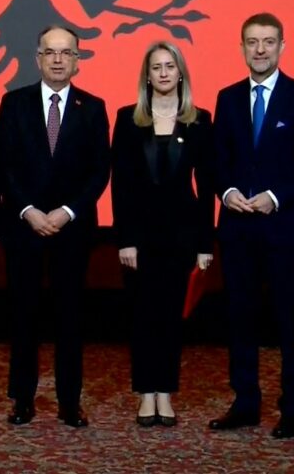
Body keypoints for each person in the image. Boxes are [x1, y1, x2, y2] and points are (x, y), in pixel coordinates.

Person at [208, 13, 294, 439]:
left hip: (285, 227)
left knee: (292, 320)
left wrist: (276, 196)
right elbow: (217, 160)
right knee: (240, 318)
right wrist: (226, 192)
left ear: (282, 46)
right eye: (252, 42)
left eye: (268, 42)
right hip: (237, 228)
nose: (260, 50)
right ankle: (245, 403)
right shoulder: (227, 98)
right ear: (241, 48)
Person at [0, 25, 110, 428]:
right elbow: (3, 164)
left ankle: (69, 401)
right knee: (23, 315)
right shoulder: (14, 103)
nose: (58, 60)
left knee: (70, 317)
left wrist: (68, 211)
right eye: (51, 52)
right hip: (24, 226)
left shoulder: (92, 107)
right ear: (38, 58)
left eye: (66, 53)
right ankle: (22, 399)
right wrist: (28, 210)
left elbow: (100, 171)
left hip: (72, 230)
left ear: (77, 60)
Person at [111, 41, 214, 428]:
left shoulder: (199, 120)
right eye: (157, 67)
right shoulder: (128, 119)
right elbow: (120, 185)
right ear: (148, 76)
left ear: (180, 72)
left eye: (170, 66)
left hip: (181, 237)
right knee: (142, 316)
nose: (164, 73)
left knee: (170, 318)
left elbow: (206, 187)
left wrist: (205, 244)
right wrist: (125, 238)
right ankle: (145, 393)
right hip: (139, 238)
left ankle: (165, 393)